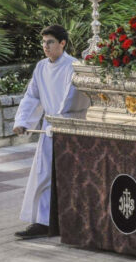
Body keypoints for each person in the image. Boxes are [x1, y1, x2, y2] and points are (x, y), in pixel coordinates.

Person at [12, 25, 90, 239]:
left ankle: (73, 221)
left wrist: (61, 121)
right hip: (49, 130)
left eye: (50, 42)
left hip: (70, 128)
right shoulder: (40, 67)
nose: (45, 46)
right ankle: (43, 221)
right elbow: (32, 96)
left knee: (71, 176)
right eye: (44, 42)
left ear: (62, 43)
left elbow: (72, 99)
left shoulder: (74, 66)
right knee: (43, 174)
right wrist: (22, 121)